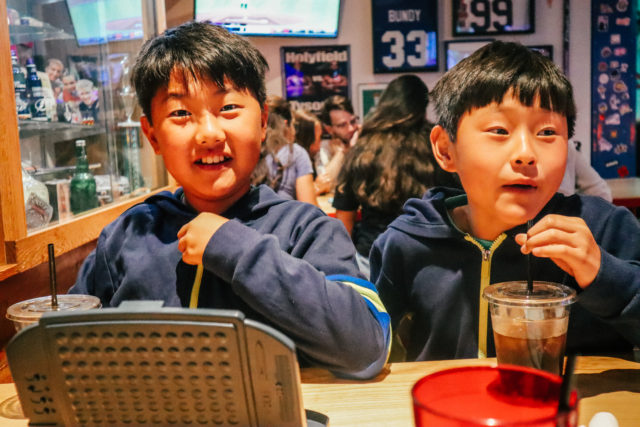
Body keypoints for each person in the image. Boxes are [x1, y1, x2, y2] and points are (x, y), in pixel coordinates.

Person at [69, 21, 390, 379]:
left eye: (228, 108)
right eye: (180, 114)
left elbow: (366, 347)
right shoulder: (128, 233)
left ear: (264, 120)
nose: (209, 134)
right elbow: (71, 341)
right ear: (153, 136)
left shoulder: (306, 229)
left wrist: (234, 248)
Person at [370, 41, 640, 363]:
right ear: (445, 149)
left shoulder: (604, 229)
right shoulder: (408, 242)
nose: (526, 153)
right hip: (450, 406)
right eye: (499, 130)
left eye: (547, 133)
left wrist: (602, 273)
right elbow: (372, 346)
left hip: (571, 410)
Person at [332, 75, 459, 278]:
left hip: (371, 256)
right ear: (422, 105)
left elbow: (343, 221)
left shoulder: (363, 146)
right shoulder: (435, 146)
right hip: (427, 256)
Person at [251, 96, 318, 206]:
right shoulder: (296, 153)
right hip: (286, 220)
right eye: (294, 125)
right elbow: (309, 205)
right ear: (286, 124)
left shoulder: (251, 149)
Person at [315, 95, 360, 194]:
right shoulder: (325, 147)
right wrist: (344, 151)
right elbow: (325, 184)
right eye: (342, 125)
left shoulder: (366, 140)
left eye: (353, 121)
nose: (351, 128)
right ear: (329, 129)